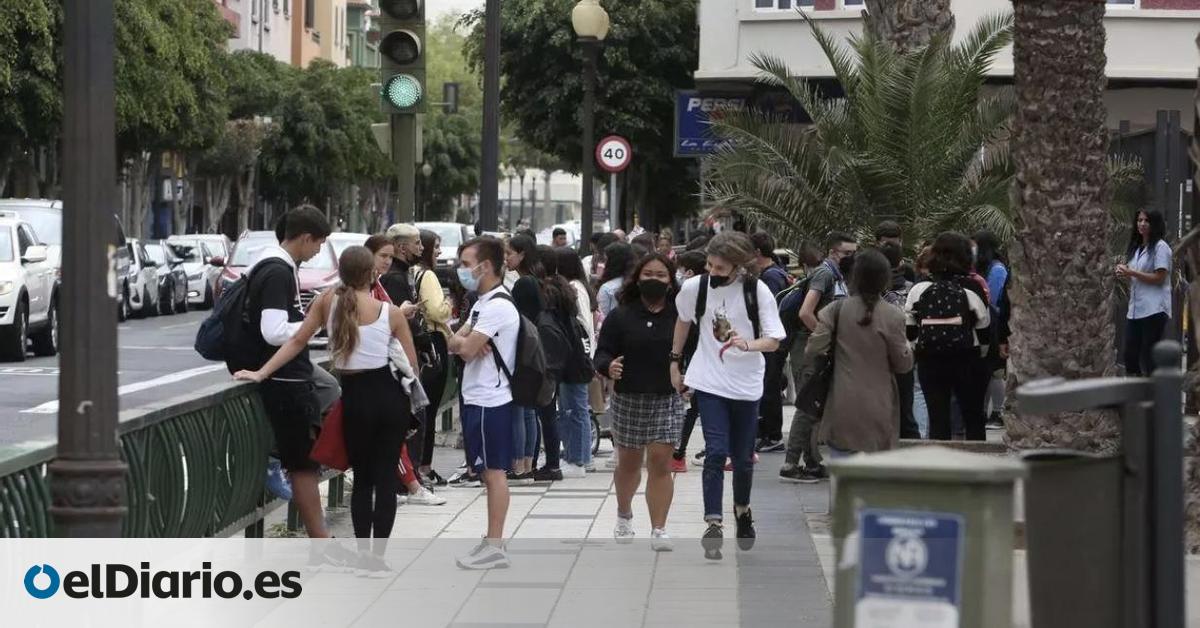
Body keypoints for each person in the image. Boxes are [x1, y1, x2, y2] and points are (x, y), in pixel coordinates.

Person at [237, 246, 418, 574]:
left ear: (340, 273)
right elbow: (412, 365)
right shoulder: (389, 312)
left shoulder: (325, 303)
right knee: (385, 477)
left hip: (355, 399)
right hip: (390, 398)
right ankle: (378, 557)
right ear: (372, 275)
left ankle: (363, 555)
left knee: (362, 478)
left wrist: (261, 372)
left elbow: (294, 343)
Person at [672, 232, 785, 558]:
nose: (713, 272)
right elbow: (682, 321)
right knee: (716, 451)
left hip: (747, 382)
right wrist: (674, 361)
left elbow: (775, 339)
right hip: (709, 380)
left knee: (743, 458)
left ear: (739, 266)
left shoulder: (757, 290)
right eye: (709, 265)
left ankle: (742, 509)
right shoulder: (697, 288)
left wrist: (748, 345)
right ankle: (713, 522)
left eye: (720, 267)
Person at [243, 206, 334, 539]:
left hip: (290, 377)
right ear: (306, 238)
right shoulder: (278, 271)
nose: (319, 252)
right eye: (319, 244)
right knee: (303, 467)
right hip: (286, 382)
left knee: (306, 463)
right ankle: (320, 541)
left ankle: (320, 539)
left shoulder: (273, 266)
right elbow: (272, 330)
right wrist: (314, 325)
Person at [595, 253, 684, 551]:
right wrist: (609, 367)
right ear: (637, 278)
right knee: (629, 464)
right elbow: (602, 353)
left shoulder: (680, 316)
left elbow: (695, 350)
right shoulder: (621, 315)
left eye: (661, 275)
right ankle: (624, 513)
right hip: (629, 398)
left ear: (671, 280)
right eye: (648, 274)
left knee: (660, 462)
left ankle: (659, 528)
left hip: (666, 398)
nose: (654, 280)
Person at [449, 236, 521, 569]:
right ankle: (492, 540)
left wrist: (466, 342)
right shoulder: (482, 303)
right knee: (487, 472)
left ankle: (496, 543)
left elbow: (461, 347)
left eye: (466, 264)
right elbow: (455, 341)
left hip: (490, 398)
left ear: (486, 266)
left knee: (494, 473)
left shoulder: (497, 307)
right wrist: (466, 341)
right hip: (478, 396)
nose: (461, 271)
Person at [364, 235, 446, 506]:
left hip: (387, 366)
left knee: (395, 427)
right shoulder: (361, 288)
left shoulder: (377, 284)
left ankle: (402, 484)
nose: (387, 262)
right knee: (392, 427)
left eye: (390, 257)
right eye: (382, 256)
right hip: (373, 369)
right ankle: (402, 485)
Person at [806, 249, 913, 455]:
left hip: (841, 404)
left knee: (843, 477)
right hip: (880, 407)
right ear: (885, 279)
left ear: (854, 277)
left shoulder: (835, 311)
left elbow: (813, 349)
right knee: (877, 477)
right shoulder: (893, 316)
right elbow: (903, 364)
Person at [780, 231, 856, 483]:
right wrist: (825, 337)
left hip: (815, 347)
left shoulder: (836, 275)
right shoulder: (825, 274)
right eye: (847, 253)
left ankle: (812, 462)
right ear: (833, 253)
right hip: (808, 348)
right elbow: (805, 312)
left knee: (814, 406)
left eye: (853, 253)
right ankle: (791, 463)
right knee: (807, 406)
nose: (851, 257)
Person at [904, 232, 992, 441]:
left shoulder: (919, 289)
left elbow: (910, 328)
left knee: (938, 419)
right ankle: (975, 463)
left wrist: (920, 348)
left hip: (929, 360)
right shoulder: (972, 287)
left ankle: (939, 466)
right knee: (973, 417)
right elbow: (984, 327)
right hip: (967, 358)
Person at [414, 229, 454, 484]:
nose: (439, 251)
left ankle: (418, 464)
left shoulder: (411, 273)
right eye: (436, 246)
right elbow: (437, 312)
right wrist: (448, 303)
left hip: (418, 341)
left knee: (421, 408)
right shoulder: (427, 275)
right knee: (429, 409)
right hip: (432, 341)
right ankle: (425, 466)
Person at [503, 234, 543, 483]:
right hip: (534, 352)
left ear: (522, 255)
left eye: (509, 253)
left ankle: (519, 465)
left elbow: (519, 320)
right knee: (528, 411)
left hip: (522, 351)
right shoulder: (536, 279)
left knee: (520, 410)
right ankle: (527, 463)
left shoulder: (523, 284)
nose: (506, 258)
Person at [556, 247, 598, 478]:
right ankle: (578, 455)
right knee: (574, 408)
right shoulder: (581, 287)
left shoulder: (573, 288)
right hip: (580, 355)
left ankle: (580, 457)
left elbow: (579, 323)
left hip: (576, 357)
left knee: (576, 409)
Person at [1118, 209, 1172, 376]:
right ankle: (1137, 393)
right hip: (1136, 310)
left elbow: (1160, 277)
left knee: (1149, 357)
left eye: (1146, 220)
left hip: (1154, 309)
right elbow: (1135, 278)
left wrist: (1132, 273)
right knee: (1129, 355)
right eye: (1139, 220)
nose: (1141, 224)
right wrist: (1124, 273)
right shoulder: (1136, 248)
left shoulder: (1160, 247)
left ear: (1154, 223)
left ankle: (1153, 395)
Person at [750, 232, 791, 452]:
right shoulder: (773, 273)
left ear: (756, 252)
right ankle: (765, 431)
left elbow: (769, 311)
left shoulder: (771, 277)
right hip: (769, 340)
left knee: (770, 386)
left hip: (771, 341)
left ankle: (772, 434)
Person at [671, 251, 707, 473]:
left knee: (697, 408)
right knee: (697, 407)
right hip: (701, 363)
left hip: (701, 363)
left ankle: (679, 454)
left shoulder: (691, 298)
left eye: (681, 271)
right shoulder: (701, 295)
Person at [880, 241, 920, 440]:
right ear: (901, 262)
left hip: (880, 352)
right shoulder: (912, 286)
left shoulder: (875, 287)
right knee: (906, 406)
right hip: (905, 349)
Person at [972, 231, 1011, 430]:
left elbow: (995, 301)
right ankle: (984, 412)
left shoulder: (997, 270)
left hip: (993, 326)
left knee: (995, 372)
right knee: (985, 373)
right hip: (983, 325)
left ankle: (997, 412)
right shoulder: (981, 269)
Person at [597, 241, 635, 318]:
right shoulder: (637, 282)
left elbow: (602, 318)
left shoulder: (607, 288)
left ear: (612, 262)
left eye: (605, 260)